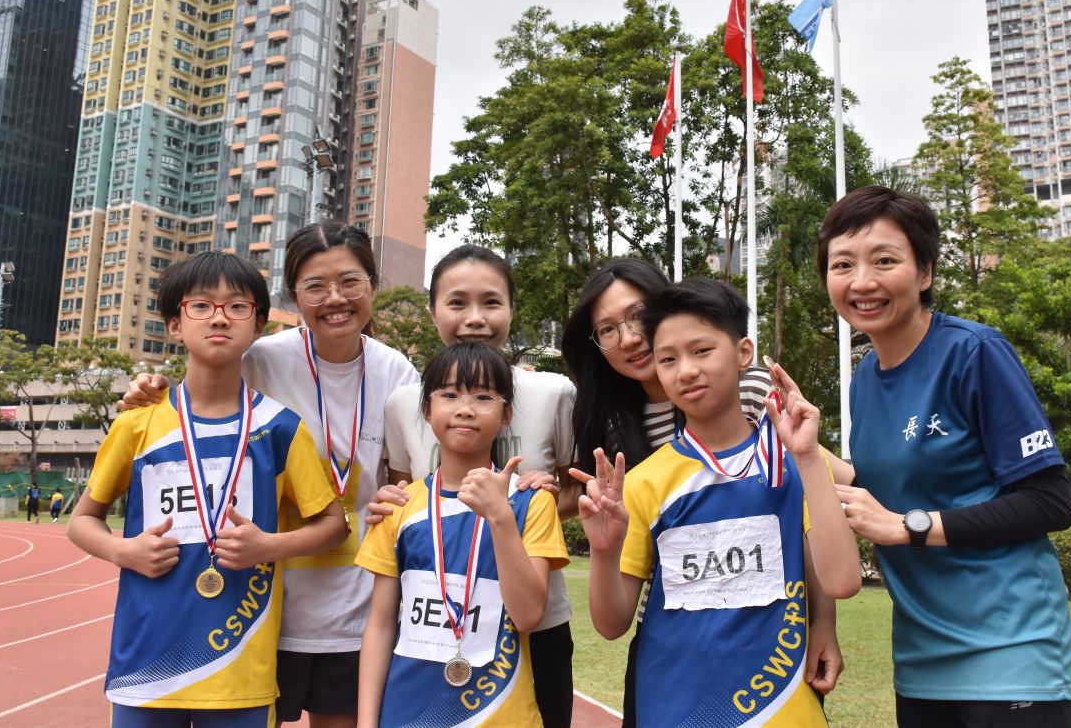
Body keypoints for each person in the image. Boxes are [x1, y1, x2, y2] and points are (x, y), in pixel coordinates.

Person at [117, 221, 420, 728]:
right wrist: (149, 388)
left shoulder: (397, 373)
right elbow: (198, 399)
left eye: (350, 281)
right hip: (254, 602)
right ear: (294, 295)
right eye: (315, 286)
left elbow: (407, 482)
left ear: (373, 285)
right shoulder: (260, 359)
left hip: (356, 606)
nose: (335, 299)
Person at [805, 185, 1071, 727]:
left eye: (885, 261)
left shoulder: (974, 352)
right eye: (843, 265)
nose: (862, 281)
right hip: (921, 659)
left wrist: (908, 526)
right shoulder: (866, 378)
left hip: (1011, 650)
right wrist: (800, 445)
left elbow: (1050, 502)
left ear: (925, 272)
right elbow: (884, 482)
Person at [67, 251, 347, 727]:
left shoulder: (280, 428)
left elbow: (333, 526)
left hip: (240, 666)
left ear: (257, 325)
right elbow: (81, 521)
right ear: (175, 325)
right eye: (201, 306)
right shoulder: (138, 424)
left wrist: (270, 546)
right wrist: (123, 551)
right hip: (146, 664)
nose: (219, 318)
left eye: (237, 306)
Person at [559, 258, 845, 725]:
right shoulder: (616, 432)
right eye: (608, 329)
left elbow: (819, 506)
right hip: (673, 649)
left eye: (636, 316)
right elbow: (604, 516)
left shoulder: (763, 407)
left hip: (772, 647)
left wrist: (823, 624)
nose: (629, 337)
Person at [374, 245, 577, 728]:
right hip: (438, 621)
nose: (475, 318)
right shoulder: (405, 402)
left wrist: (537, 499)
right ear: (433, 311)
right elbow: (404, 495)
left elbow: (576, 490)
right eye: (457, 302)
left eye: (491, 302)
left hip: (534, 617)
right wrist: (384, 503)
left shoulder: (552, 392)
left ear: (511, 309)